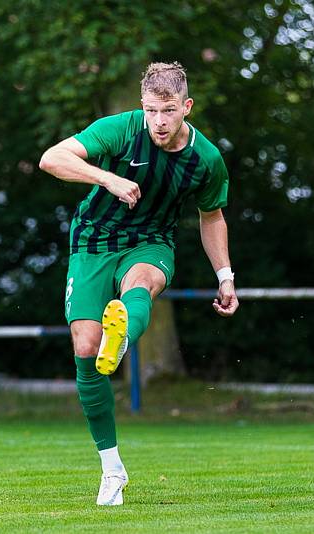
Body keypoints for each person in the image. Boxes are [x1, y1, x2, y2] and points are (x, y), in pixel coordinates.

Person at [38, 61, 239, 506]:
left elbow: (212, 217)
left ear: (186, 106)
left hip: (151, 241)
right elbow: (52, 158)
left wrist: (224, 276)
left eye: (168, 110)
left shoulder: (206, 160)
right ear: (141, 107)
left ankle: (124, 334)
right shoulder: (121, 130)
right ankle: (112, 469)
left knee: (142, 283)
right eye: (151, 110)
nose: (159, 121)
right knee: (86, 348)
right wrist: (107, 178)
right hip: (92, 241)